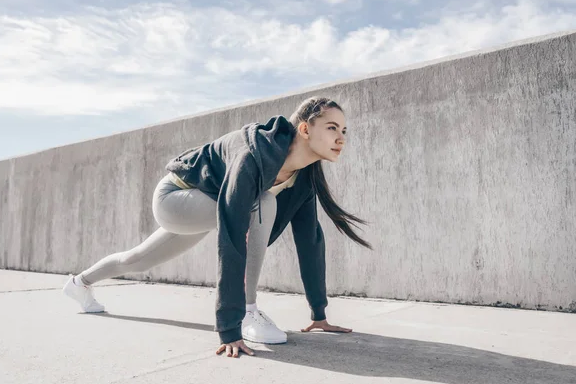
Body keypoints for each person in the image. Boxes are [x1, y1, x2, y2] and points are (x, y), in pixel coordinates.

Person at [63, 96, 372, 358]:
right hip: (175, 197)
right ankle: (248, 310)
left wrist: (319, 314)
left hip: (208, 202)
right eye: (332, 128)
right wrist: (229, 326)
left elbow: (310, 240)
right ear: (304, 129)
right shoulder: (254, 154)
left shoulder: (304, 177)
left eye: (344, 130)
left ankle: (80, 283)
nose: (341, 137)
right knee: (262, 202)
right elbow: (233, 237)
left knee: (139, 258)